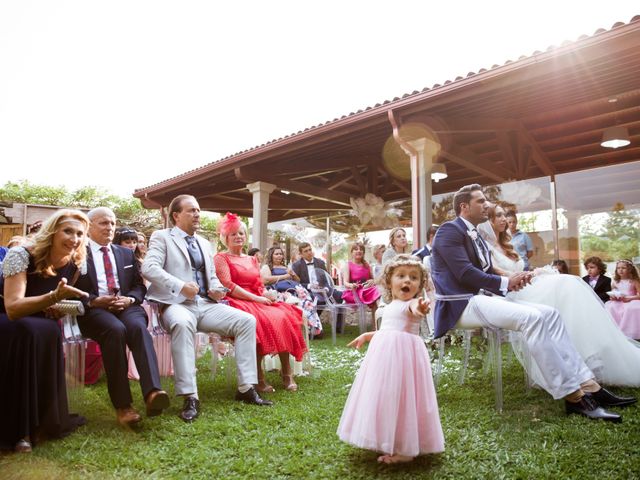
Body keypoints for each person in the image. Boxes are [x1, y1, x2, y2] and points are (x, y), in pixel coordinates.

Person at [430, 184, 635, 422]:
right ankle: (573, 396)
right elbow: (465, 273)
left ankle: (590, 385)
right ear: (464, 207)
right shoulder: (449, 231)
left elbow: (485, 270)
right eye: (480, 201)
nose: (487, 205)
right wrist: (506, 284)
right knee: (534, 318)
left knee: (551, 314)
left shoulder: (473, 233)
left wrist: (514, 279)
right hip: (460, 304)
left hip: (479, 298)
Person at [479, 202, 640, 387]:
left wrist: (533, 272)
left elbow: (523, 267)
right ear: (487, 221)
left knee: (571, 285)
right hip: (511, 292)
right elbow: (494, 272)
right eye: (498, 216)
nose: (503, 220)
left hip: (526, 285)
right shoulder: (485, 248)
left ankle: (589, 354)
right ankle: (582, 358)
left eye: (503, 216)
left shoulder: (508, 245)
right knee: (566, 285)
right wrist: (526, 275)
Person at [142, 196, 272, 421]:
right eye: (191, 211)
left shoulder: (203, 242)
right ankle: (190, 396)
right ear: (176, 215)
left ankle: (246, 389)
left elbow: (212, 277)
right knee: (182, 324)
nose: (197, 215)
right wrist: (181, 286)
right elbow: (149, 268)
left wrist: (216, 289)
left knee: (246, 321)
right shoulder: (162, 237)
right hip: (176, 304)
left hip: (205, 304)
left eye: (198, 210)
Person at [337, 255, 444, 464]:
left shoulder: (412, 302)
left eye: (413, 278)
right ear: (389, 281)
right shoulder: (390, 305)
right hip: (385, 357)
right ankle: (387, 436)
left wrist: (421, 307)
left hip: (404, 357)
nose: (407, 281)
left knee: (404, 397)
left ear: (420, 285)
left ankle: (406, 449)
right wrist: (367, 335)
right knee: (386, 396)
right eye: (401, 276)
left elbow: (416, 309)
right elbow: (387, 330)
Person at [0, 209, 89, 452]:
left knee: (47, 329)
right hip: (6, 319)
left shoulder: (76, 264)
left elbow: (54, 300)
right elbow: (13, 308)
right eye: (68, 231)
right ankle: (19, 430)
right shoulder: (21, 254)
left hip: (37, 321)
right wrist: (52, 298)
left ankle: (42, 420)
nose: (75, 238)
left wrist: (58, 308)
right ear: (52, 232)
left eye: (80, 233)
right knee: (27, 330)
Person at [75, 207, 169, 427]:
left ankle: (153, 393)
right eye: (103, 223)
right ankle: (123, 405)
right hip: (94, 310)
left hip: (126, 306)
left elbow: (138, 286)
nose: (109, 227)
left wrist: (130, 300)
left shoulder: (125, 253)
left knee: (137, 328)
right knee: (115, 331)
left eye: (112, 223)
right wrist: (94, 300)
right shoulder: (77, 253)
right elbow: (69, 289)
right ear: (89, 226)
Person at [214, 213, 307, 393]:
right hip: (236, 299)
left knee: (283, 314)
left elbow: (257, 284)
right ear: (225, 237)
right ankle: (258, 375)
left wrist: (266, 294)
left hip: (256, 297)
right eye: (233, 234)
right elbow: (227, 285)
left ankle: (287, 372)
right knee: (258, 320)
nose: (238, 236)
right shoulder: (221, 258)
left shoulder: (251, 259)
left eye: (241, 233)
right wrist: (257, 298)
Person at [292, 242, 344, 330]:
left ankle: (338, 327)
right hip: (308, 291)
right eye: (306, 251)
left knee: (340, 295)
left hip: (323, 290)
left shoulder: (320, 262)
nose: (309, 252)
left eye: (310, 250)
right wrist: (309, 286)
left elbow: (326, 278)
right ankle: (314, 324)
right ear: (301, 254)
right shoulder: (297, 265)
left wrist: (326, 287)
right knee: (318, 300)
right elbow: (297, 284)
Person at [341, 241, 380, 328]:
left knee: (377, 296)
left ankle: (376, 326)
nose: (359, 251)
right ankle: (377, 326)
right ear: (352, 252)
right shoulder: (348, 265)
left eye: (361, 249)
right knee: (377, 293)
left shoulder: (367, 265)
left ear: (363, 252)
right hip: (353, 292)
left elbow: (373, 280)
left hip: (366, 291)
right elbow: (345, 283)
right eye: (356, 249)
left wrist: (372, 280)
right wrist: (352, 285)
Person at [605, 260, 640, 340]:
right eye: (618, 268)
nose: (620, 270)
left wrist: (630, 298)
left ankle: (630, 331)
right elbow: (614, 292)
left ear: (630, 269)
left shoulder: (634, 281)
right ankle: (615, 331)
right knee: (610, 307)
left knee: (631, 308)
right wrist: (613, 297)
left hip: (632, 300)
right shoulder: (615, 282)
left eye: (623, 268)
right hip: (620, 301)